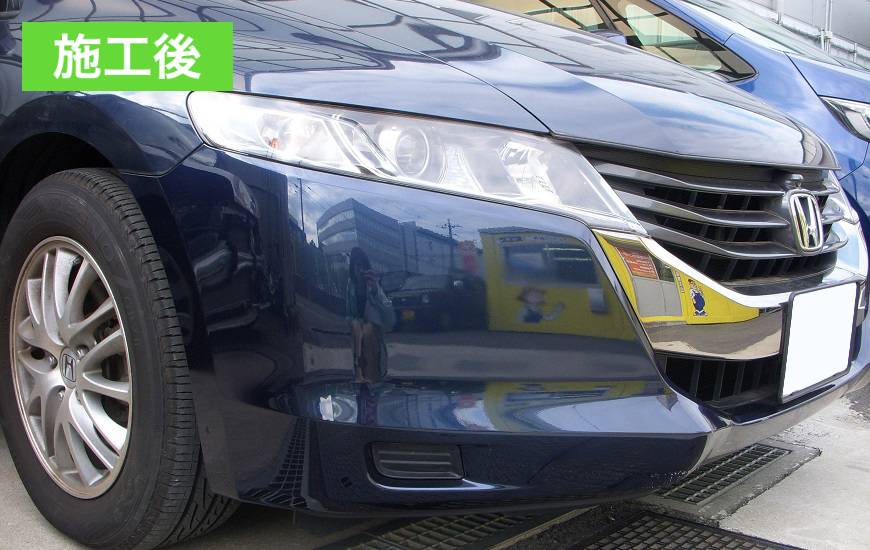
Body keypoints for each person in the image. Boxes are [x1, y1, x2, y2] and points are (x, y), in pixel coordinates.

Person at [346, 247, 395, 382]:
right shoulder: (350, 286)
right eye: (357, 265)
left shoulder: (374, 287)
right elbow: (347, 315)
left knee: (368, 331)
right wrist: (356, 323)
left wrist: (375, 291)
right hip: (357, 335)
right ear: (353, 267)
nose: (360, 270)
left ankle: (371, 379)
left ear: (369, 269)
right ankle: (358, 373)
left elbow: (389, 318)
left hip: (373, 336)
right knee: (357, 326)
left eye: (364, 266)